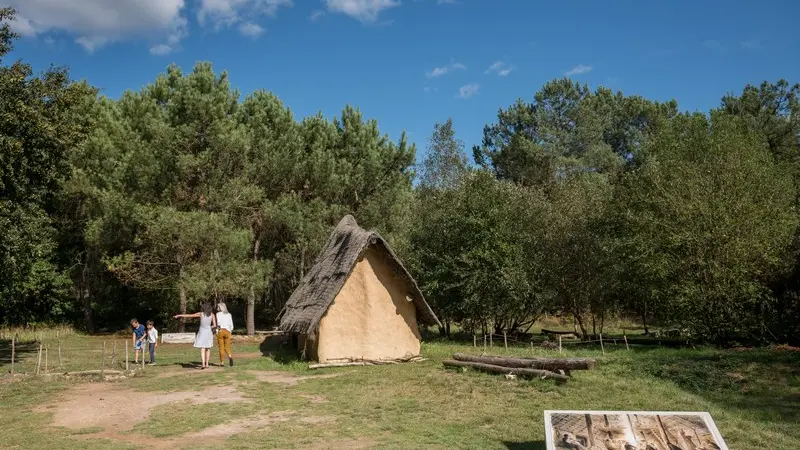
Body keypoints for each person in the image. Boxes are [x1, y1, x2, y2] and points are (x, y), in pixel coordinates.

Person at [174, 302, 217, 369]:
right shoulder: (212, 315)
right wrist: (209, 327)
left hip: (202, 331)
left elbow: (190, 315)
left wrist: (179, 315)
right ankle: (207, 364)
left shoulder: (201, 314)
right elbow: (214, 325)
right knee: (208, 348)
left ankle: (203, 364)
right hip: (208, 332)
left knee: (202, 348)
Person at [215, 302, 234, 367]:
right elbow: (231, 324)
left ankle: (222, 362)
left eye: (218, 307)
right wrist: (230, 331)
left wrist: (218, 330)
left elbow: (218, 323)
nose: (217, 308)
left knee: (221, 347)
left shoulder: (218, 314)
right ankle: (230, 356)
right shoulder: (229, 314)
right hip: (228, 331)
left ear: (220, 308)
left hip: (221, 330)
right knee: (227, 347)